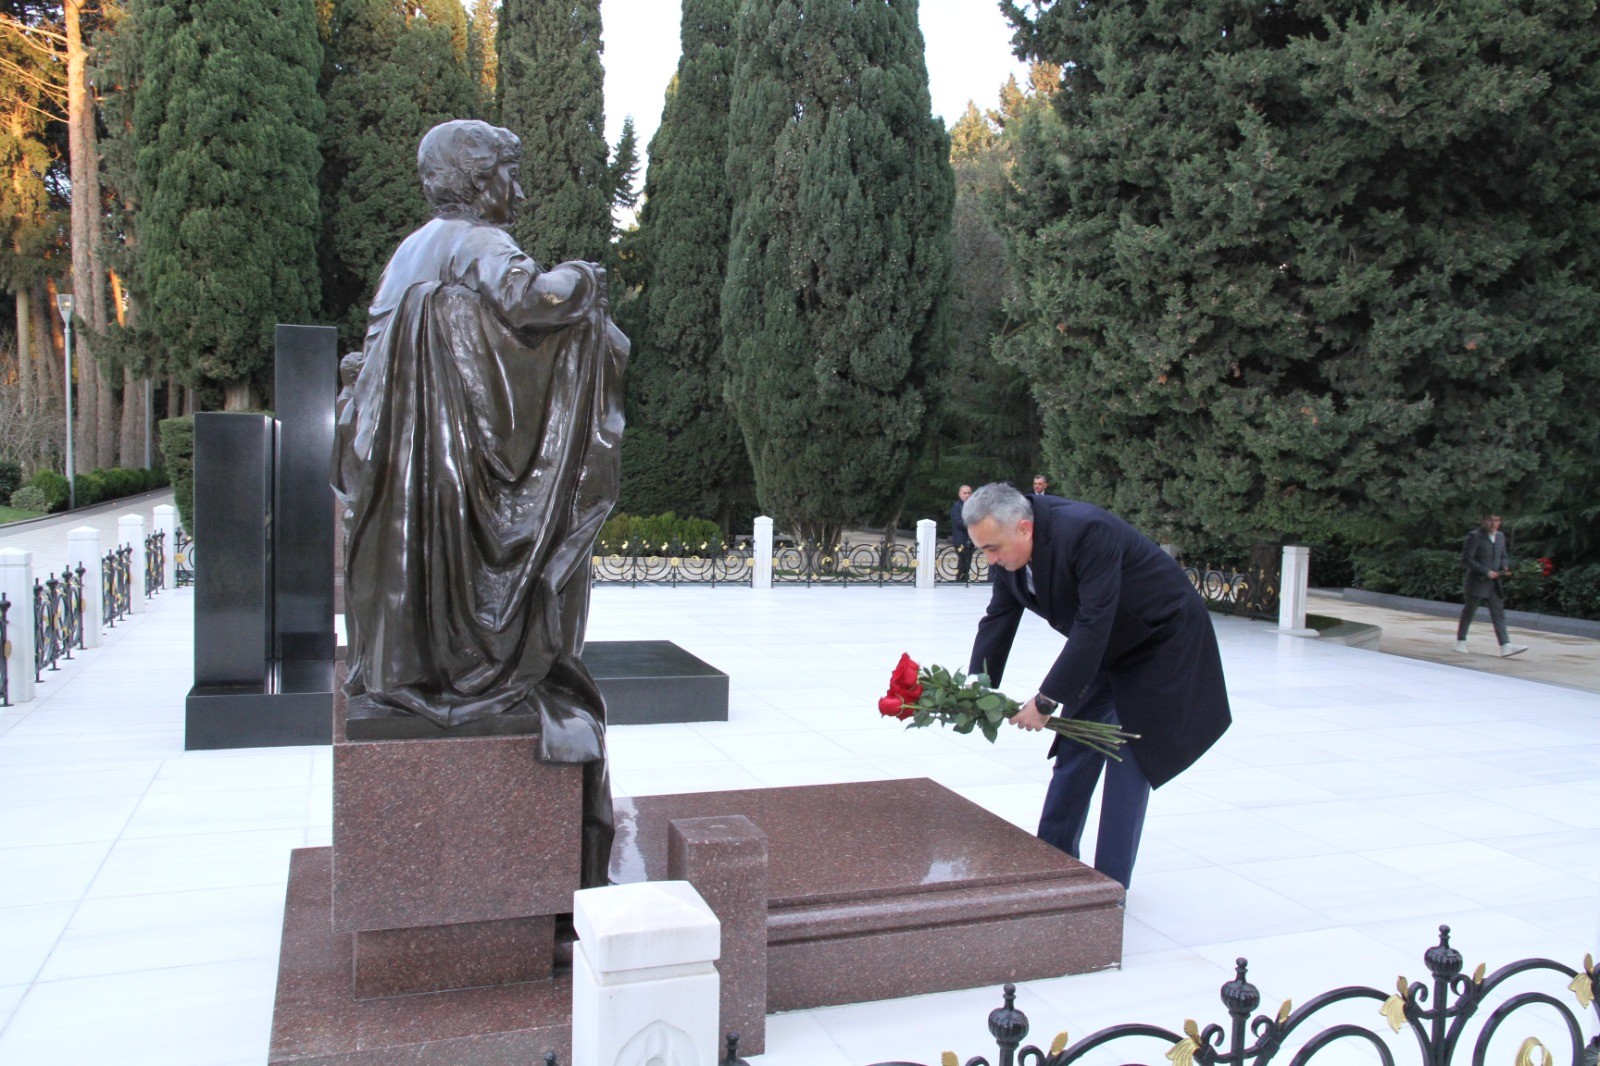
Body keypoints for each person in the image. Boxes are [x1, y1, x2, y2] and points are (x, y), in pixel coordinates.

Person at [333, 119, 628, 887]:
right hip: (451, 484)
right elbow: (534, 304)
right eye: (507, 174)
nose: (518, 192)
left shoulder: (409, 251)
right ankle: (477, 663)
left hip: (400, 481)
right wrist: (585, 281)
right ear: (477, 180)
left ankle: (415, 659)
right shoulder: (479, 242)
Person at [964, 483, 1231, 888]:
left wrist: (1046, 700)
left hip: (1161, 641)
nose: (991, 560)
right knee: (1075, 751)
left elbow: (1093, 621)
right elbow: (999, 617)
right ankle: (1051, 864)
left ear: (1024, 528)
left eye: (993, 548)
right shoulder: (1008, 559)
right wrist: (976, 686)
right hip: (1108, 644)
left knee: (1128, 759)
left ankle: (1108, 889)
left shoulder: (1087, 531)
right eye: (983, 550)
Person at [1457, 513, 1528, 657]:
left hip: (1494, 583)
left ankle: (1505, 645)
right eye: (1490, 520)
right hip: (1477, 582)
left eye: (1496, 520)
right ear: (1483, 521)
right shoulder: (1475, 536)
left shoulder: (1500, 536)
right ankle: (1460, 641)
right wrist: (1486, 571)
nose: (1493, 523)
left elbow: (1503, 555)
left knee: (1498, 614)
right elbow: (1467, 558)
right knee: (1469, 612)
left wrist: (1504, 566)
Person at [950, 484, 974, 581]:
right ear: (960, 494)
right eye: (964, 493)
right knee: (962, 561)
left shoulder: (973, 506)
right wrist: (972, 526)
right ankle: (959, 581)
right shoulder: (957, 506)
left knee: (968, 561)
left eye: (969, 493)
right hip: (960, 539)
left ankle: (965, 580)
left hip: (970, 539)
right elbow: (958, 522)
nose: (967, 495)